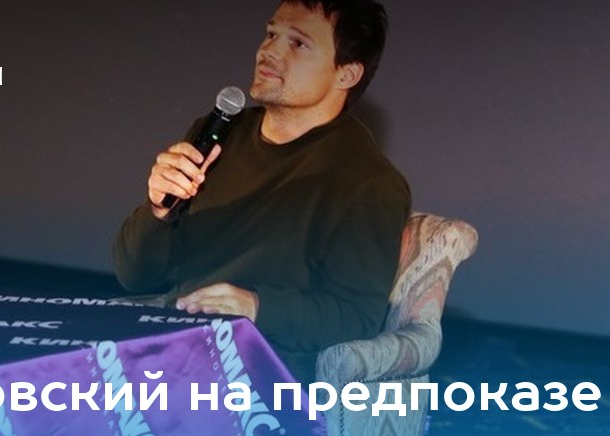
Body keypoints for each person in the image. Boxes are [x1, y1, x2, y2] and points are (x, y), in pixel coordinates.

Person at [112, 0, 410, 382]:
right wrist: (157, 211)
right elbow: (133, 276)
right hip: (172, 344)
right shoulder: (217, 134)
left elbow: (355, 317)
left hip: (257, 371)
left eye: (297, 43)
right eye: (271, 34)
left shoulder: (368, 182)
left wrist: (257, 306)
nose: (269, 50)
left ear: (346, 74)